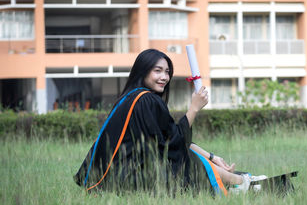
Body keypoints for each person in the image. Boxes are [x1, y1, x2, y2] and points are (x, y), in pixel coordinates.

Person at [74, 49, 266, 195]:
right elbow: (172, 144)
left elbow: (169, 137)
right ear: (143, 71)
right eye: (157, 71)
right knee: (180, 159)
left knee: (180, 154)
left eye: (167, 72)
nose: (164, 77)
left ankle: (237, 182)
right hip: (125, 179)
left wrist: (212, 157)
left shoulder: (133, 97)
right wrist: (194, 109)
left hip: (115, 176)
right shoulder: (145, 100)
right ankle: (240, 183)